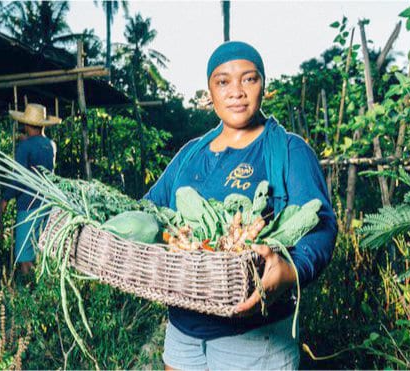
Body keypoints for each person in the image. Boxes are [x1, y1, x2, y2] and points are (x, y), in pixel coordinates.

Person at [144, 41, 337, 370]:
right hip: (183, 331)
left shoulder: (287, 150)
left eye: (249, 79)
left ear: (264, 85)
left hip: (254, 335)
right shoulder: (191, 153)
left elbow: (322, 226)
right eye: (223, 82)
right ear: (210, 92)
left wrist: (291, 271)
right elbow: (150, 208)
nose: (236, 91)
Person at [0, 103, 61, 275]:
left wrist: (6, 198)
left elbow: (18, 178)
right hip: (48, 202)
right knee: (40, 247)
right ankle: (42, 287)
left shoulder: (25, 146)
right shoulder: (51, 145)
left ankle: (28, 290)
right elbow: (39, 154)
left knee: (24, 253)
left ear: (26, 124)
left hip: (28, 204)